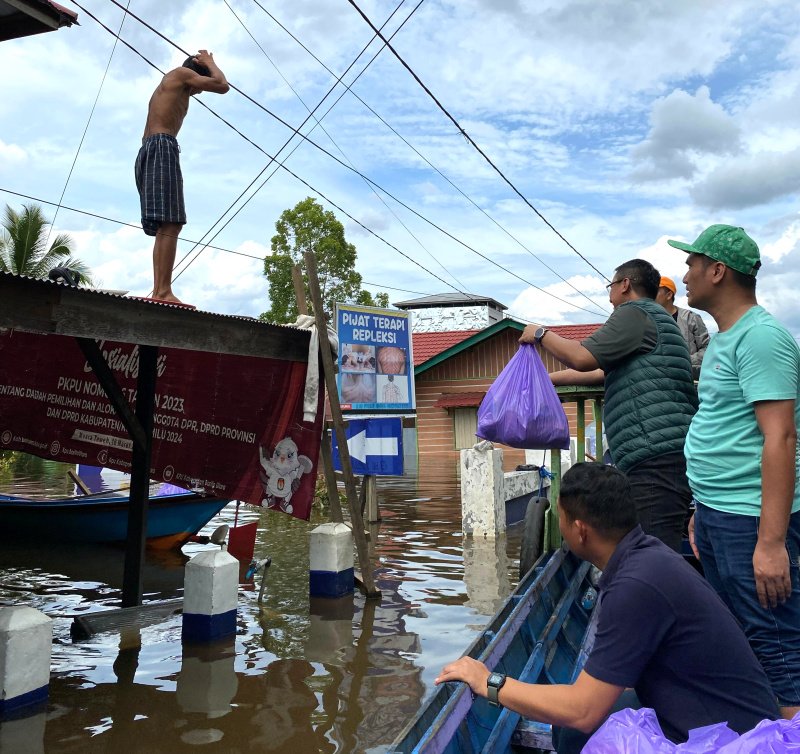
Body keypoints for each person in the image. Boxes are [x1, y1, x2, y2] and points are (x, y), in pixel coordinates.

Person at [436, 463, 779, 754]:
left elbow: (583, 710)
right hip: (722, 714)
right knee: (569, 733)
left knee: (577, 724)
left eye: (562, 518)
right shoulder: (648, 555)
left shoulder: (635, 586)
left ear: (580, 530)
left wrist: (489, 682)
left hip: (729, 740)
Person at [669, 224, 800, 719]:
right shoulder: (727, 339)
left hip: (750, 520)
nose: (685, 274)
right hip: (720, 513)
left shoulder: (762, 339)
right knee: (745, 634)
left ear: (718, 271)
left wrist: (770, 543)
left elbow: (780, 437)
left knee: (778, 645)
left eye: (692, 263)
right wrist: (700, 510)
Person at [520, 259, 697, 551]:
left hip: (655, 456)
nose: (609, 294)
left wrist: (540, 334)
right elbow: (599, 371)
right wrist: (546, 378)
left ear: (625, 284)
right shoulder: (655, 319)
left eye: (611, 286)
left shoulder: (635, 314)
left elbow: (582, 356)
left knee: (653, 552)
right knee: (654, 546)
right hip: (663, 452)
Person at [135, 50, 229, 306]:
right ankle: (162, 291)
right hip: (162, 146)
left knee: (168, 224)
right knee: (171, 222)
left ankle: (160, 290)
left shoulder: (175, 86)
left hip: (153, 148)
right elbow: (222, 86)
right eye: (200, 84)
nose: (198, 92)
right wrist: (210, 62)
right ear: (197, 70)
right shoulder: (181, 74)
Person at [655, 275, 709, 378]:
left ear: (669, 295)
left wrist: (684, 360)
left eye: (655, 291)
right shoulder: (649, 321)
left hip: (689, 379)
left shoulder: (690, 318)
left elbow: (707, 349)